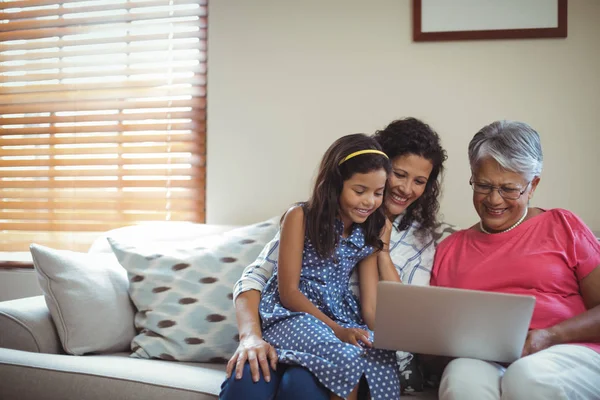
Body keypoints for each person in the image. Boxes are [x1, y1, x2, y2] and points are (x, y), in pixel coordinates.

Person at [220, 118, 448, 399]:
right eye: (399, 174)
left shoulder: (407, 238)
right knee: (248, 380)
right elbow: (262, 280)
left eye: (419, 181)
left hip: (338, 331)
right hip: (298, 322)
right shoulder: (306, 217)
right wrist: (250, 336)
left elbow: (384, 315)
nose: (406, 188)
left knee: (307, 383)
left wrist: (383, 252)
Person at [431, 120, 600, 400]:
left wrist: (550, 335)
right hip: (486, 358)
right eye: (483, 185)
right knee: (461, 376)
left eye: (509, 189)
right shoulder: (450, 249)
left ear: (532, 185)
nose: (494, 200)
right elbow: (437, 338)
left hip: (569, 352)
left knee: (526, 377)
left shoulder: (562, 226)